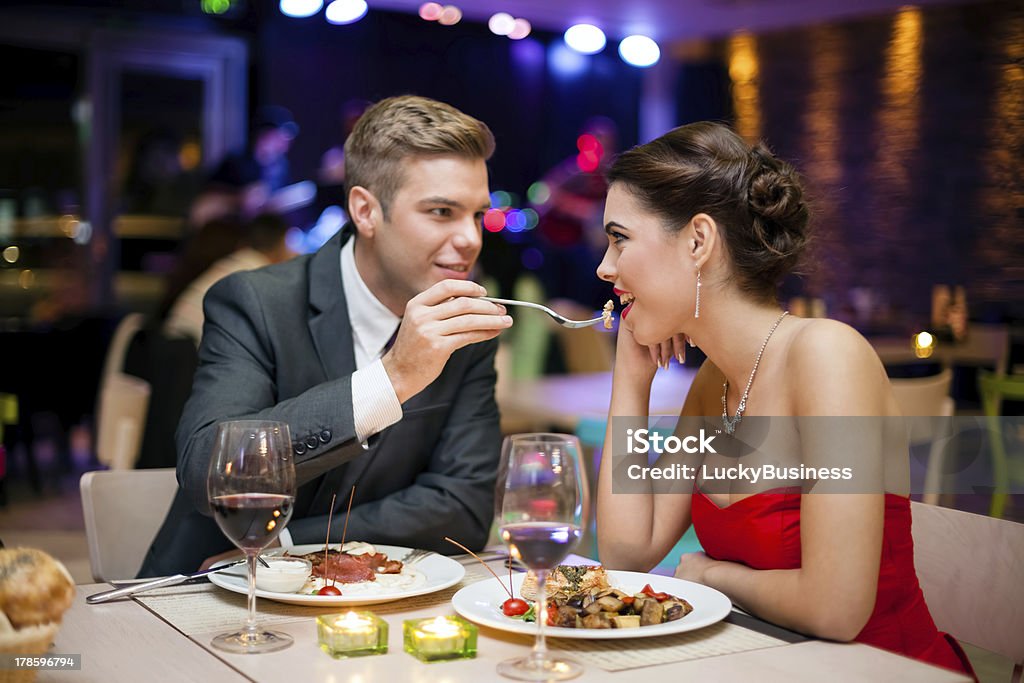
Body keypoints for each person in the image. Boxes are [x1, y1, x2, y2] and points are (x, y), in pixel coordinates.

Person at [594, 122, 974, 677]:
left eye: (619, 238)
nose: (605, 267)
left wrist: (709, 575)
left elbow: (837, 610)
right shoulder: (714, 385)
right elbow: (628, 555)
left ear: (698, 241)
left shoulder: (827, 356)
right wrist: (630, 383)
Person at [139, 95, 511, 576]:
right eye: (442, 211)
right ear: (366, 211)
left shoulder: (465, 327)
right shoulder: (256, 302)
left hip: (383, 600)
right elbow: (211, 471)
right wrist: (392, 378)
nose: (471, 238)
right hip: (210, 592)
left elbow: (462, 505)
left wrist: (292, 544)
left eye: (477, 215)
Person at [162, 212, 294, 346]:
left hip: (172, 348)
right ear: (281, 243)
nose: (294, 253)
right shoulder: (261, 275)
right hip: (193, 355)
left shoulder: (237, 262)